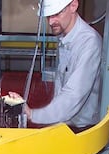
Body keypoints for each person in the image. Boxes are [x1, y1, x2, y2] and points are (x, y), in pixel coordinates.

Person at [9, 0, 102, 130]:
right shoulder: (66, 37)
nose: (51, 22)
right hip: (64, 124)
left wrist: (32, 114)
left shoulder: (89, 42)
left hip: (81, 129)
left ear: (73, 6)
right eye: (48, 16)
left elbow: (72, 95)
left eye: (56, 14)